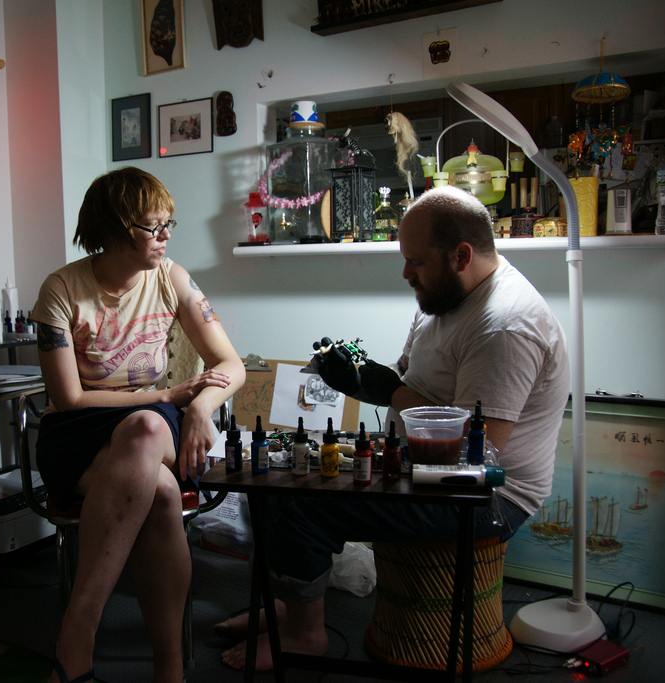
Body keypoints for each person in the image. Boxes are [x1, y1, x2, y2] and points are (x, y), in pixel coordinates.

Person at [218, 184, 570, 671]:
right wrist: (356, 377)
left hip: (487, 497)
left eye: (416, 263)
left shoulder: (504, 326)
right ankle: (291, 604)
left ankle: (303, 634)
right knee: (277, 475)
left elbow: (477, 454)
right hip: (423, 468)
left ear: (461, 255)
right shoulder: (447, 297)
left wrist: (388, 393)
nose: (406, 274)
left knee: (301, 503)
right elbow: (408, 382)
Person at [31, 167, 246, 683]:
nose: (166, 236)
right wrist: (169, 395)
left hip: (155, 423)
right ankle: (169, 665)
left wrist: (198, 408)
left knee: (146, 427)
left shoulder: (172, 278)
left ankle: (76, 633)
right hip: (79, 432)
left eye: (170, 224)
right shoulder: (61, 289)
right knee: (164, 493)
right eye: (154, 227)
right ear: (114, 229)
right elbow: (69, 397)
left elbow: (230, 364)